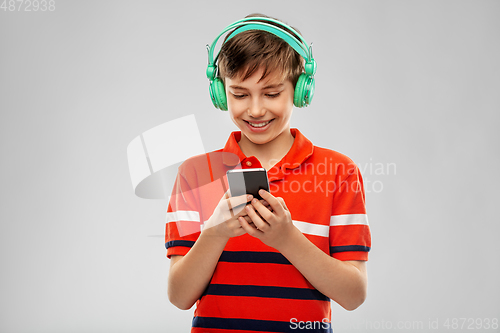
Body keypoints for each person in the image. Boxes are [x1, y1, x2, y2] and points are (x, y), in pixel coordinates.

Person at [165, 13, 371, 333]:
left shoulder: (339, 173)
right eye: (240, 94)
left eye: (272, 93)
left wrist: (287, 239)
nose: (256, 109)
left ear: (301, 90)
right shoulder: (195, 174)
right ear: (221, 94)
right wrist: (215, 233)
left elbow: (354, 294)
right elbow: (179, 296)